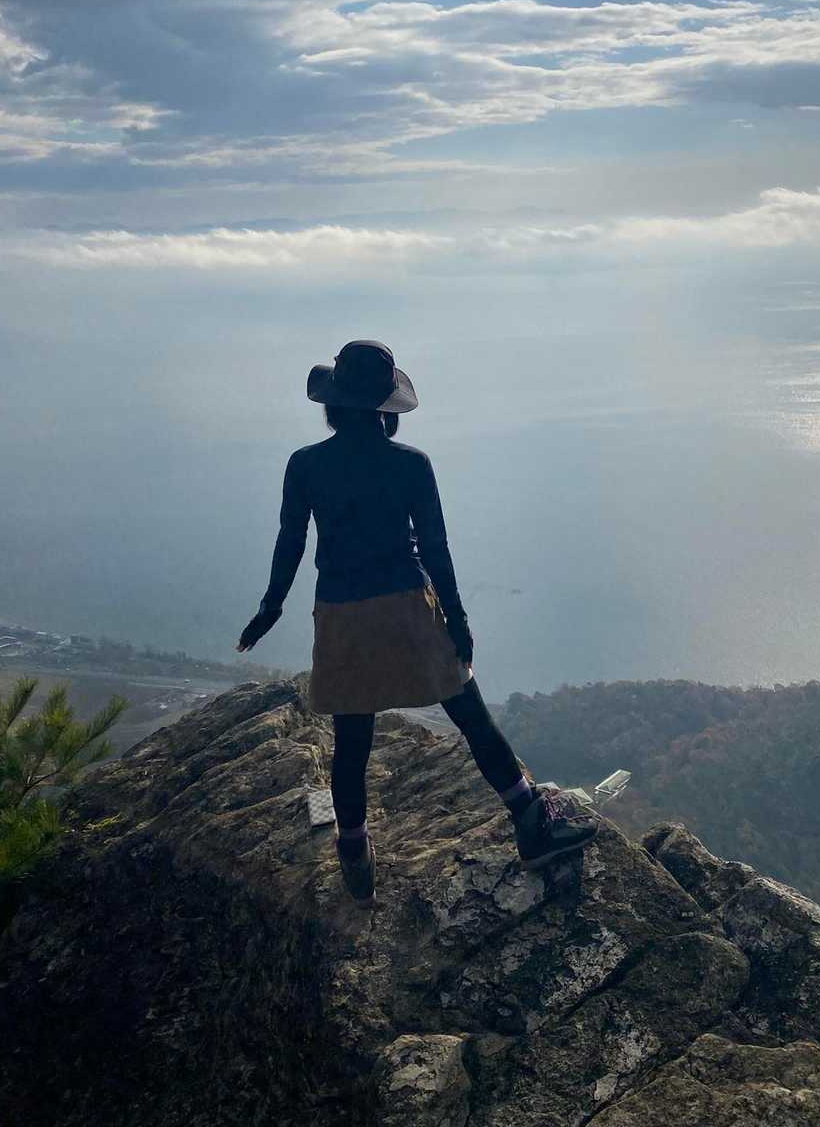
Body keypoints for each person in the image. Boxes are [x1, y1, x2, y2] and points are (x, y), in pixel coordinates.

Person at [237, 340, 599, 906]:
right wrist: (458, 619)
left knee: (352, 740)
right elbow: (435, 548)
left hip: (341, 613)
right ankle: (531, 821)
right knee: (470, 716)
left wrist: (271, 606)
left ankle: (355, 859)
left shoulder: (305, 464)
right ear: (386, 408)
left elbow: (291, 541)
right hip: (408, 607)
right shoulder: (411, 464)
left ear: (333, 403)